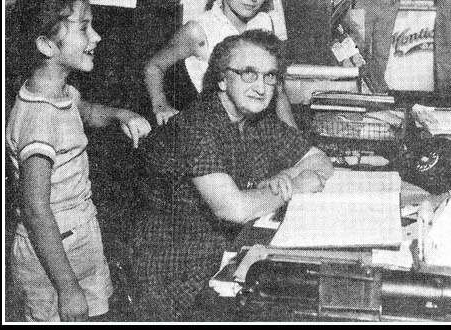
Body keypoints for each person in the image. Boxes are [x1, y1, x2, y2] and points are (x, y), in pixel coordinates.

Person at [132, 30, 334, 321]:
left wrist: (286, 174)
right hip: (176, 276)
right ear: (223, 80)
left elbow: (319, 160)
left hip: (226, 255)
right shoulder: (198, 126)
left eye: (270, 76)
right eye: (248, 74)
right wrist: (295, 186)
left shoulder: (257, 121)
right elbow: (233, 208)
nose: (261, 87)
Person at [5, 0, 152, 322]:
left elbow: (85, 111)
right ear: (46, 45)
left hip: (81, 235)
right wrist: (68, 287)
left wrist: (120, 114)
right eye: (84, 27)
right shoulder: (39, 119)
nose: (96, 36)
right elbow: (35, 208)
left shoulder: (63, 93)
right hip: (53, 261)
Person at [144, 0, 297, 128]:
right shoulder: (198, 30)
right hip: (212, 128)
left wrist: (296, 139)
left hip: (253, 125)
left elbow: (278, 90)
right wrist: (160, 106)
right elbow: (154, 66)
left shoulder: (264, 22)